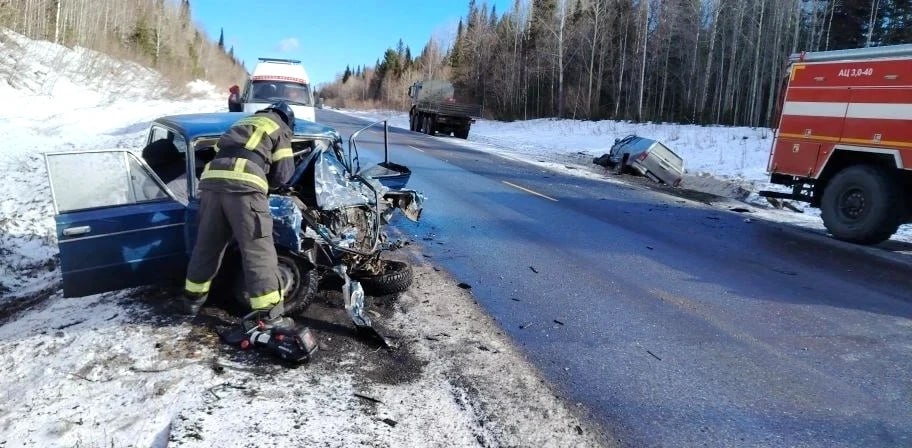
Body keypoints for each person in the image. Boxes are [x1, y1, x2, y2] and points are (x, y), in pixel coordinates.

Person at [180, 102, 297, 328]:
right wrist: (269, 187)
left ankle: (192, 300)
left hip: (211, 185)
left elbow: (219, 153)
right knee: (258, 250)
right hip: (245, 187)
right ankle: (270, 315)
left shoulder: (242, 122)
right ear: (288, 119)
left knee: (207, 245)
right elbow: (284, 174)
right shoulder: (279, 127)